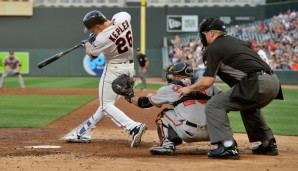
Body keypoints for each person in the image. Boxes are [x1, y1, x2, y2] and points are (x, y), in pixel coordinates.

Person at [180, 18, 283, 159]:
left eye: (203, 34)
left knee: (214, 105)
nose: (202, 37)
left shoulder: (213, 48)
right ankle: (268, 144)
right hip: (274, 82)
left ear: (210, 34)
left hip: (256, 83)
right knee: (247, 105)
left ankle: (227, 146)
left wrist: (189, 89)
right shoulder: (236, 41)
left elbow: (207, 81)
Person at [63, 10, 147, 148]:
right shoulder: (122, 18)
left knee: (106, 105)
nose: (92, 31)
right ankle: (84, 132)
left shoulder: (101, 38)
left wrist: (88, 43)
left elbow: (91, 55)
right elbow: (122, 16)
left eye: (92, 29)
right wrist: (104, 30)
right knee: (106, 105)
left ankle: (133, 127)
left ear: (97, 26)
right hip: (129, 69)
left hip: (114, 70)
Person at [126, 62, 222, 155]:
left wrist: (130, 97)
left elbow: (144, 103)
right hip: (213, 133)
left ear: (178, 77)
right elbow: (223, 100)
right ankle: (225, 143)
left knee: (164, 114)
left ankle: (167, 145)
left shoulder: (171, 87)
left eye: (173, 75)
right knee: (218, 110)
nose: (171, 77)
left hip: (188, 133)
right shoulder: (207, 84)